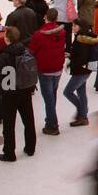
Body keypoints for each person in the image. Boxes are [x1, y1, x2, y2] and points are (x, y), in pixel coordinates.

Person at [0, 26, 37, 162]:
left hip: (10, 94)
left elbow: (1, 77)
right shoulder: (26, 51)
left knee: (9, 125)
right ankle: (30, 148)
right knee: (28, 120)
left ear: (7, 38)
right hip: (26, 90)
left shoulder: (5, 55)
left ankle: (9, 153)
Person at [28, 8, 67, 136]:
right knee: (52, 95)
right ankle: (49, 119)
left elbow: (32, 50)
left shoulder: (39, 34)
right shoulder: (62, 32)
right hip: (58, 67)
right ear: (56, 18)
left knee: (48, 98)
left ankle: (52, 125)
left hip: (44, 69)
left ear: (46, 17)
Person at [63, 18, 98, 127]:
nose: (73, 28)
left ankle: (82, 111)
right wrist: (71, 55)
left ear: (81, 27)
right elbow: (82, 54)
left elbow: (82, 58)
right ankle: (83, 117)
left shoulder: (80, 39)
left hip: (80, 71)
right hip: (86, 69)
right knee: (81, 92)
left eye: (75, 26)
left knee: (67, 92)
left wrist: (71, 63)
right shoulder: (87, 37)